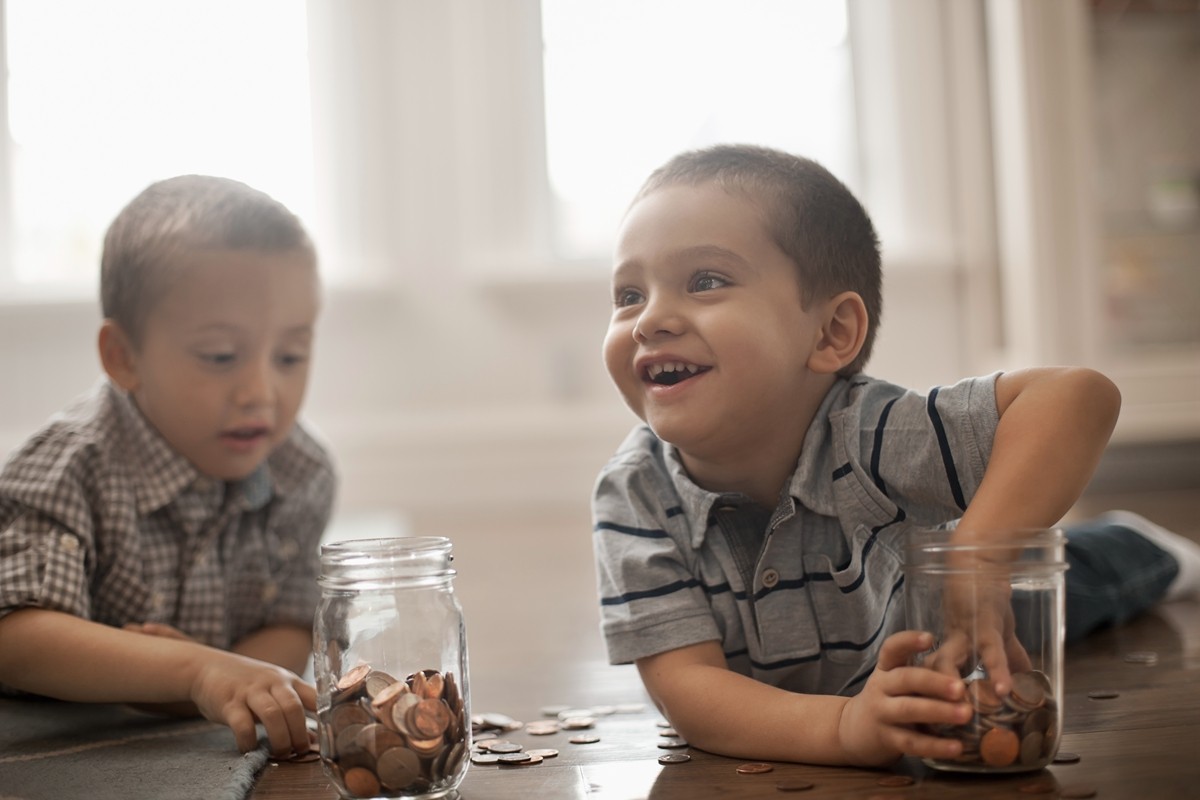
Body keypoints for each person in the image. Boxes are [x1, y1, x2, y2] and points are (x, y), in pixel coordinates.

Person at [591, 144, 1200, 768]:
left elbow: (1078, 395)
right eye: (629, 294)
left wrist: (981, 558)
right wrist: (846, 726)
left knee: (1054, 587)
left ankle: (1138, 543)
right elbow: (689, 690)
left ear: (830, 334)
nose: (649, 320)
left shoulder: (877, 432)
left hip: (950, 616)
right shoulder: (634, 496)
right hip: (809, 689)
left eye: (706, 282)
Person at [0, 175, 336, 758]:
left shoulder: (300, 472)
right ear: (124, 358)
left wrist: (231, 676)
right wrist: (194, 671)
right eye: (220, 357)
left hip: (181, 741)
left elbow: (290, 620)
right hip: (54, 749)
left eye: (291, 355)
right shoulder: (69, 469)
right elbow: (14, 633)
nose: (261, 390)